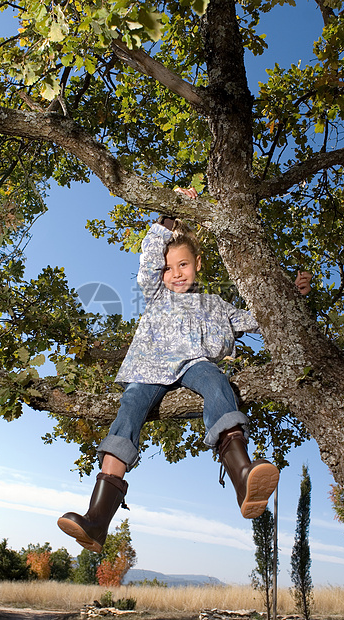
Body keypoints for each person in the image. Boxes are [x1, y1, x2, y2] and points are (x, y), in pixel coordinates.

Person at [57, 188, 312, 553]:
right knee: (128, 410)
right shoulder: (157, 294)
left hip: (195, 364)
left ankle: (242, 475)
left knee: (217, 384)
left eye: (183, 265)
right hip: (149, 367)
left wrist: (292, 292)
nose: (175, 274)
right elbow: (148, 261)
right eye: (168, 268)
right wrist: (168, 218)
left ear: (198, 264)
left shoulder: (215, 304)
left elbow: (258, 319)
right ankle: (97, 519)